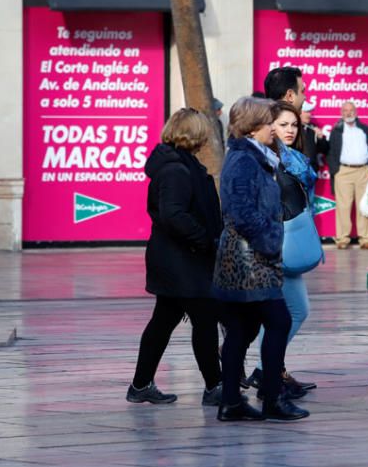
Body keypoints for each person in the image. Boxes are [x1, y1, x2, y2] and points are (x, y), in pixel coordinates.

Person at [212, 96, 308, 422]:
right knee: (278, 321)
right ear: (254, 126)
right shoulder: (243, 161)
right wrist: (269, 239)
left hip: (250, 256)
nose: (274, 128)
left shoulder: (259, 158)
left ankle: (231, 402)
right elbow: (240, 211)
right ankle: (272, 399)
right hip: (247, 260)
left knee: (241, 328)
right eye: (270, 122)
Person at [126, 108, 223, 406]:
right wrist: (204, 240)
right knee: (204, 319)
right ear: (196, 134)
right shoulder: (176, 170)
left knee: (163, 320)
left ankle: (140, 385)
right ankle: (214, 386)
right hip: (183, 260)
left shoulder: (178, 164)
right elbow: (174, 214)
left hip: (176, 259)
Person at [246, 101, 319, 398]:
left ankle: (267, 371)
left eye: (294, 125)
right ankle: (267, 373)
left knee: (295, 311)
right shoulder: (267, 160)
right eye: (283, 124)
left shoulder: (293, 160)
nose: (290, 130)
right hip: (274, 247)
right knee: (289, 313)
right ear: (269, 126)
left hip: (288, 245)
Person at [327, 100, 368, 249]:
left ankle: (365, 239)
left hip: (363, 171)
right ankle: (342, 239)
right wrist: (335, 171)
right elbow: (330, 152)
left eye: (351, 110)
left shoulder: (365, 129)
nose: (348, 113)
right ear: (341, 113)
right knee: (343, 207)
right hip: (343, 171)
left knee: (364, 206)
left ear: (356, 112)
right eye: (345, 110)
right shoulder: (337, 130)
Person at [301, 100, 330, 167]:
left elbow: (324, 149)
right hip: (297, 170)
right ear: (299, 112)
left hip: (312, 171)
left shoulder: (313, 128)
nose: (309, 114)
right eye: (306, 112)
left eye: (310, 112)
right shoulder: (293, 128)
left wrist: (320, 138)